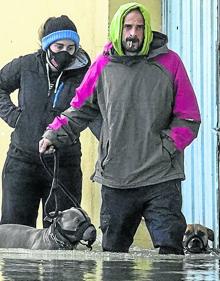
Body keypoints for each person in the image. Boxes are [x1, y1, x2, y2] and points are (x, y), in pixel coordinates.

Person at [39, 3, 201, 254]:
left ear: (147, 31)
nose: (133, 34)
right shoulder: (103, 65)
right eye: (128, 27)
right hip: (116, 179)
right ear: (118, 29)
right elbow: (80, 108)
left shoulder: (170, 62)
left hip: (161, 178)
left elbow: (188, 118)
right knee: (114, 254)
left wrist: (165, 147)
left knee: (171, 253)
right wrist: (54, 134)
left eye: (139, 27)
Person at [0, 15, 92, 227]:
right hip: (22, 161)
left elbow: (93, 109)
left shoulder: (85, 74)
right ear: (47, 45)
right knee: (15, 233)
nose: (64, 53)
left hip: (64, 164)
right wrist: (15, 117)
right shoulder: (26, 65)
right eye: (59, 46)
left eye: (70, 48)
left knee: (63, 233)